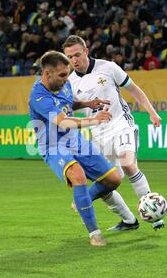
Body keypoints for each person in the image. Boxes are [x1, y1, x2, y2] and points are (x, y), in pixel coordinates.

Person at [62, 35, 164, 231]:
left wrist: (152, 112)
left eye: (77, 55)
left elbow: (134, 90)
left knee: (128, 163)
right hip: (98, 134)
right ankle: (128, 220)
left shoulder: (108, 67)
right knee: (106, 181)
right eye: (69, 57)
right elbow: (68, 108)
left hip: (121, 124)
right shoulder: (69, 82)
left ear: (86, 51)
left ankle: (155, 214)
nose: (74, 60)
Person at [29, 50, 124, 246]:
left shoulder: (64, 83)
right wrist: (93, 120)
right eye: (62, 75)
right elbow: (62, 122)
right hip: (53, 146)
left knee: (114, 179)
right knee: (77, 175)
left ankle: (82, 201)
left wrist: (86, 103)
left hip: (75, 140)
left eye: (68, 73)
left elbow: (67, 102)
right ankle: (94, 233)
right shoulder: (38, 98)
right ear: (47, 74)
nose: (67, 78)